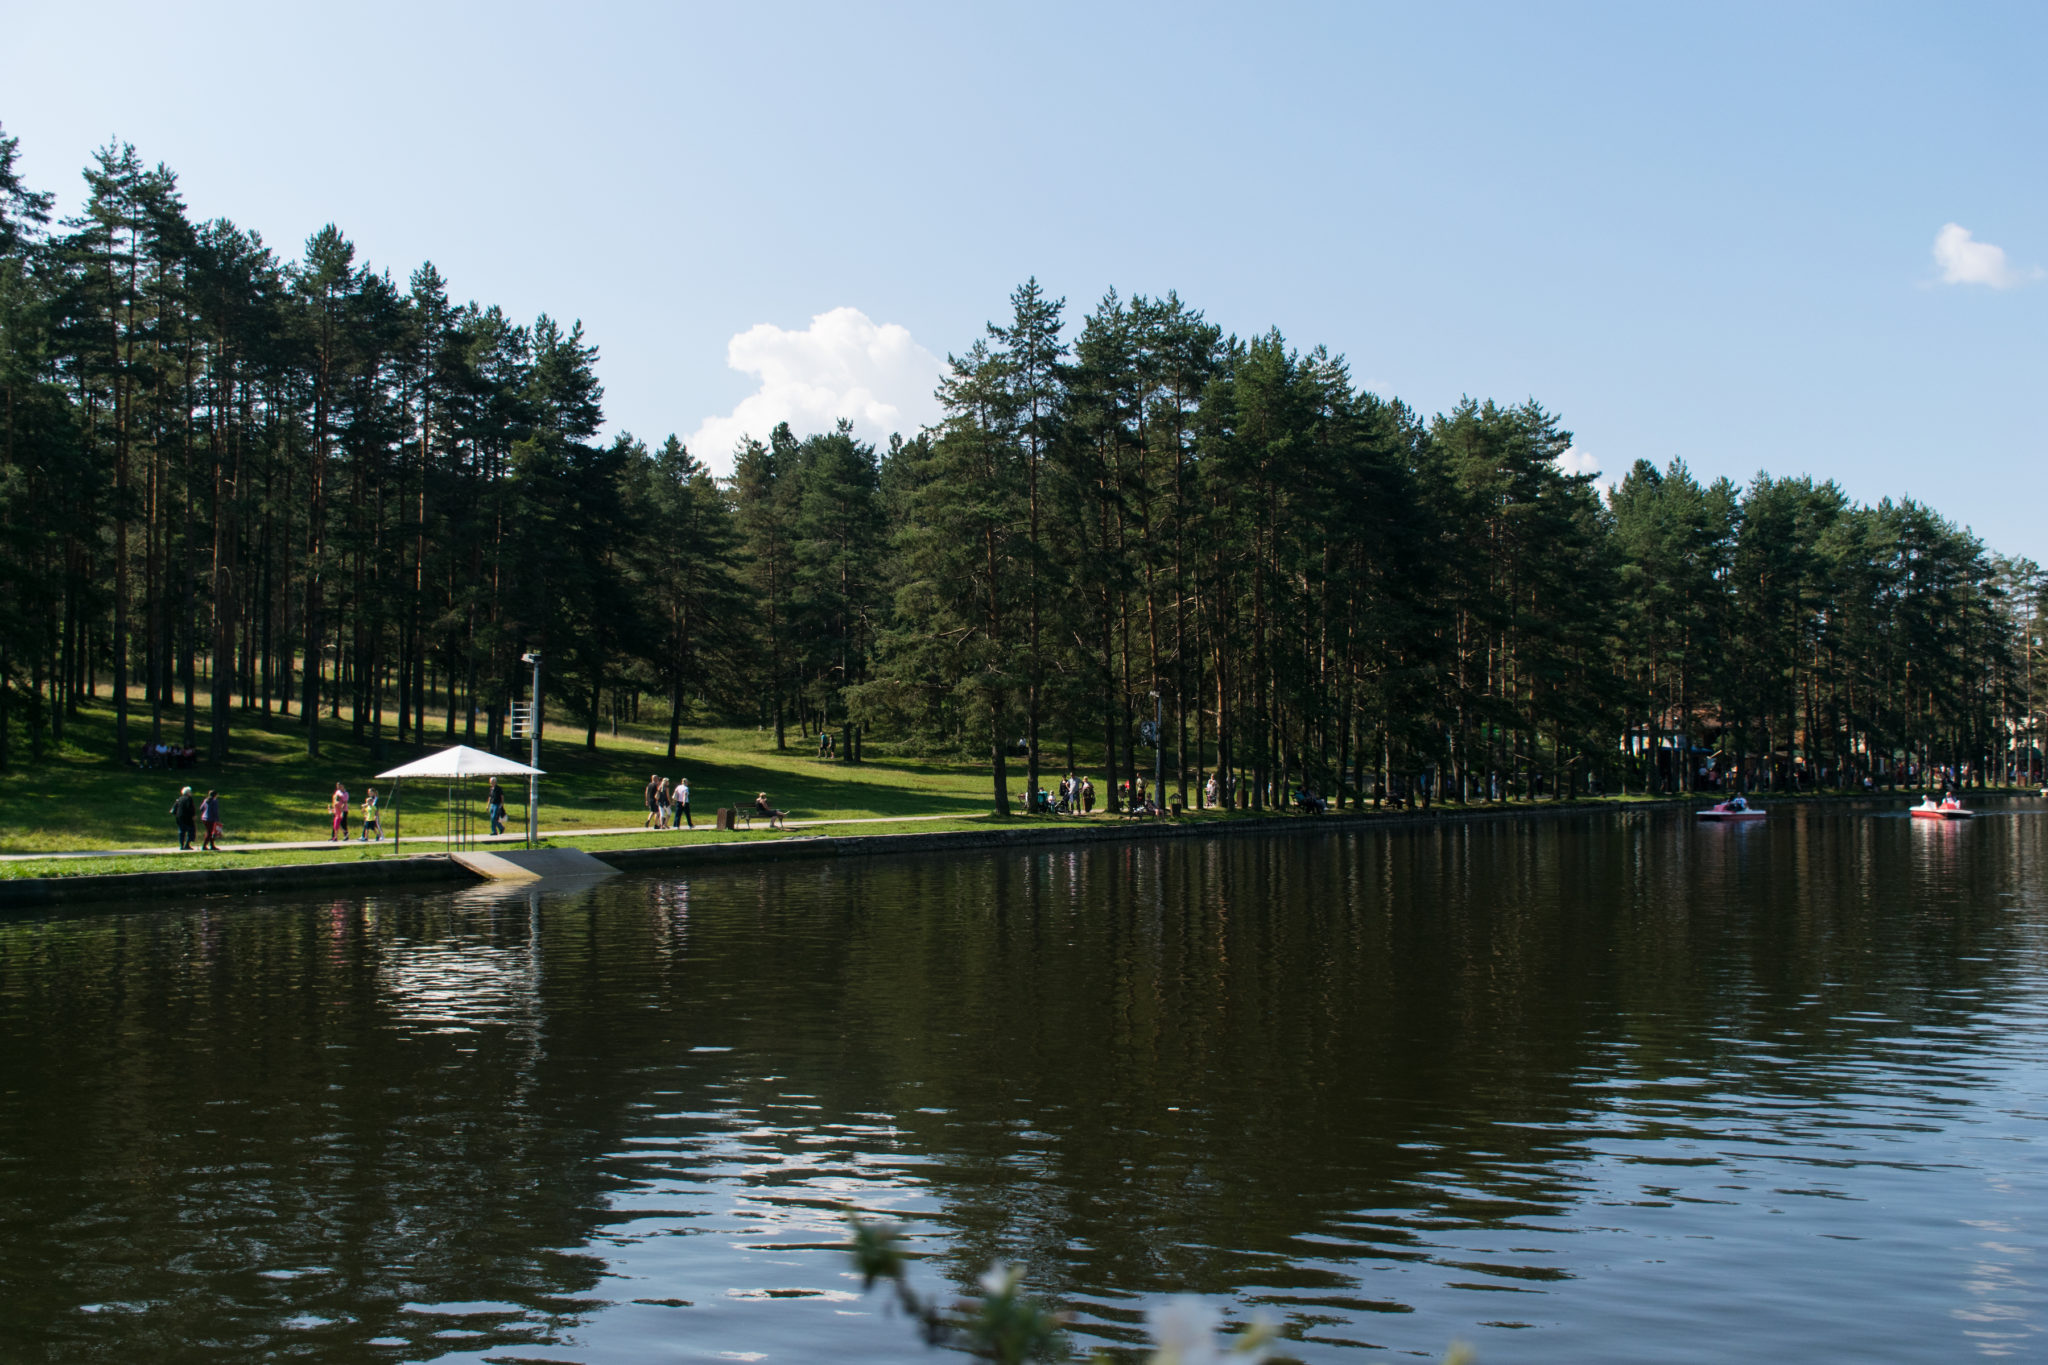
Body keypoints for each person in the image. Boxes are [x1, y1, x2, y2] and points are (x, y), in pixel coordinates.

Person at [170, 785, 198, 850]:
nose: (191, 793)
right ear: (188, 792)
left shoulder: (179, 798)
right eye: (190, 792)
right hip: (187, 818)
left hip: (179, 817)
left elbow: (174, 809)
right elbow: (190, 808)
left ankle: (181, 845)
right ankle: (187, 845)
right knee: (191, 830)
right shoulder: (189, 798)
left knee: (181, 831)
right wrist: (193, 815)